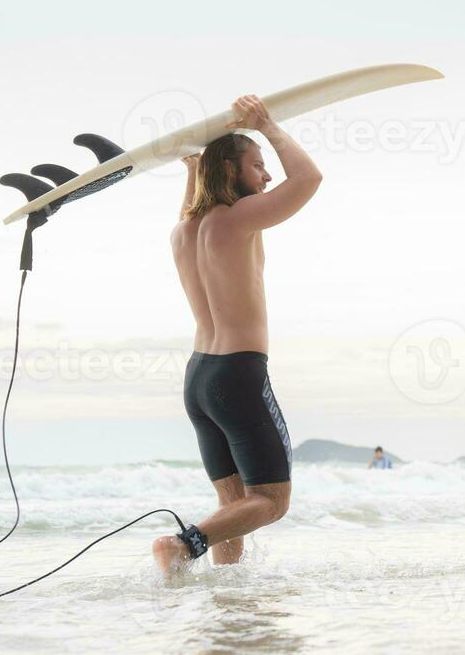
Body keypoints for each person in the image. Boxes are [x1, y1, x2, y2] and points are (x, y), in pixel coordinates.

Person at [151, 94, 322, 574]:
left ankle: (227, 598)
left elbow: (190, 211)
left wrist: (191, 169)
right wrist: (267, 125)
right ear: (230, 173)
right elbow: (309, 179)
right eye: (258, 166)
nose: (267, 176)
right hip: (238, 376)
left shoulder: (183, 234)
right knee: (270, 500)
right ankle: (184, 545)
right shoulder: (240, 219)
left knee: (232, 506)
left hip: (199, 380)